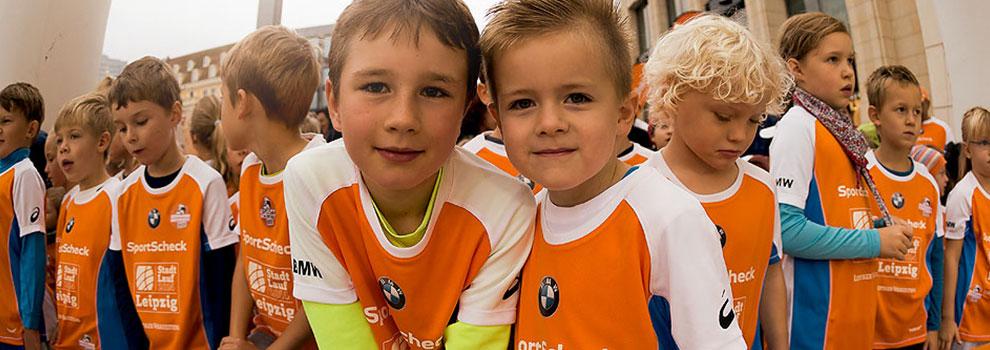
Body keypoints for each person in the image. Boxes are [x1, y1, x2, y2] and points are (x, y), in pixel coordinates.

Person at [481, 1, 744, 348]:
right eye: (522, 104)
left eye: (576, 97)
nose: (549, 124)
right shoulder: (521, 218)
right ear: (497, 117)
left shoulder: (668, 219)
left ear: (623, 114)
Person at [284, 1, 535, 348]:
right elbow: (341, 339)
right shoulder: (310, 181)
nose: (403, 118)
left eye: (434, 92)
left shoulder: (506, 208)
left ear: (464, 109)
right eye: (375, 87)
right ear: (334, 103)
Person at [643, 14, 791, 349]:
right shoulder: (638, 190)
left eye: (754, 119)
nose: (739, 135)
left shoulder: (762, 187)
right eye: (723, 116)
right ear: (672, 95)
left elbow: (769, 272)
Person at [769, 12, 914, 349]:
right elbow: (786, 231)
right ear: (796, 69)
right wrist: (876, 242)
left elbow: (835, 215)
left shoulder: (839, 131)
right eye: (832, 60)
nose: (848, 71)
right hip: (816, 324)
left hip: (854, 318)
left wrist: (878, 226)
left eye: (850, 60)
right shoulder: (798, 127)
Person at [106, 56, 238, 349]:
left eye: (140, 122)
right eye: (122, 127)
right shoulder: (123, 194)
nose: (130, 137)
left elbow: (221, 281)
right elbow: (121, 285)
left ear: (175, 114)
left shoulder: (206, 183)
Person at [216, 25, 321, 350]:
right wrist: (235, 338)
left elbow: (326, 291)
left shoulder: (318, 173)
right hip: (264, 335)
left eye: (223, 98)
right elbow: (247, 260)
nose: (221, 113)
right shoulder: (250, 170)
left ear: (242, 103)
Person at [863, 65, 944, 350]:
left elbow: (936, 258)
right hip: (867, 330)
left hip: (916, 330)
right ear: (875, 116)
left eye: (917, 112)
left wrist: (935, 324)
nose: (911, 120)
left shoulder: (928, 182)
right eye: (900, 110)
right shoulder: (859, 173)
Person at [49, 93, 127, 349]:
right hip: (66, 338)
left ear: (102, 141)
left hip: (104, 339)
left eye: (74, 136)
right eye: (60, 139)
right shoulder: (69, 201)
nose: (63, 147)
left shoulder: (117, 196)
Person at [0, 82, 47, 350]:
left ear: (31, 129)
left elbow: (33, 251)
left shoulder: (25, 174)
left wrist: (30, 323)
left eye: (6, 120)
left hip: (13, 326)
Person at [941, 106, 990, 350]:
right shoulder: (962, 194)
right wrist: (947, 318)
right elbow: (951, 258)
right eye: (984, 143)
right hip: (969, 317)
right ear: (968, 149)